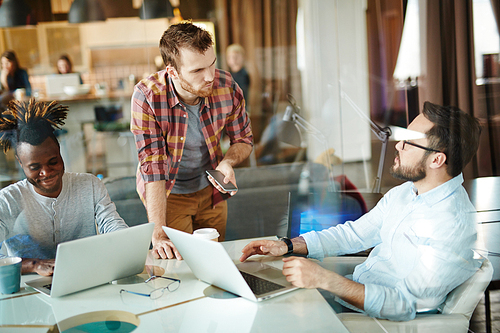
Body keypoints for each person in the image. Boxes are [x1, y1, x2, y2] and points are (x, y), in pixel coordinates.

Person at [240, 101, 482, 321]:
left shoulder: (452, 225)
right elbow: (353, 235)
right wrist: (288, 245)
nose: (398, 145)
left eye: (409, 142)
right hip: (349, 300)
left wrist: (326, 279)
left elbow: (404, 305)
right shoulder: (405, 193)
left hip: (376, 322)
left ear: (437, 160)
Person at [131, 22, 253, 260]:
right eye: (197, 71)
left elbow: (244, 139)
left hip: (212, 191)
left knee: (215, 260)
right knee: (181, 264)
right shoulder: (147, 98)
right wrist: (157, 233)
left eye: (212, 64)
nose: (210, 77)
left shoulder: (227, 87)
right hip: (170, 194)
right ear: (172, 72)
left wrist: (227, 162)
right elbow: (153, 168)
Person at [0, 99, 128, 276]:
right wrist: (34, 265)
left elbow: (113, 226)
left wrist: (128, 243)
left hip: (83, 277)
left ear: (60, 152)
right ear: (21, 163)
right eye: (35, 167)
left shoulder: (90, 185)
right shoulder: (7, 200)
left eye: (53, 162)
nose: (46, 172)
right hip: (27, 287)